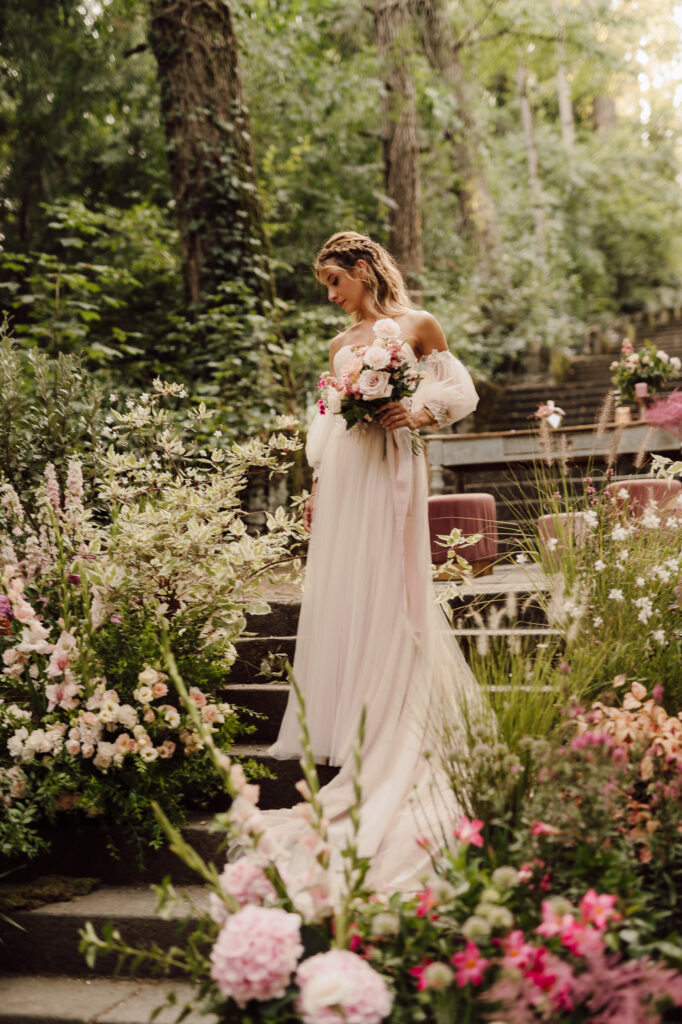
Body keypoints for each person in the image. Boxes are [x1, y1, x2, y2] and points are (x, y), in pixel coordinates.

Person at [264, 231, 482, 891]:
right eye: (326, 286)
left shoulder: (417, 326)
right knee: (351, 590)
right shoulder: (338, 348)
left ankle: (398, 713)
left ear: (364, 270)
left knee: (392, 587)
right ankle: (360, 709)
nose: (331, 297)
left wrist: (411, 412)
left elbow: (460, 393)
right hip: (347, 479)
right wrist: (318, 487)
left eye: (336, 282)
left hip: (394, 463)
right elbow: (327, 423)